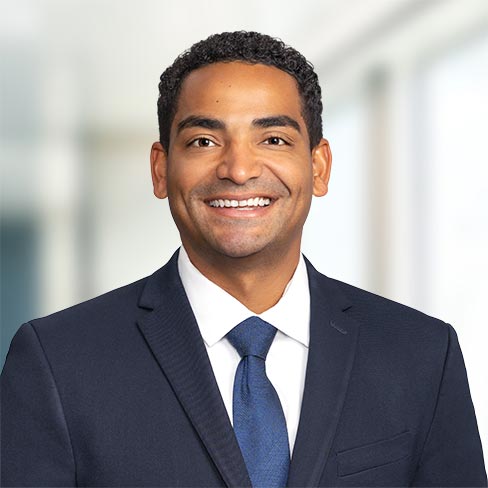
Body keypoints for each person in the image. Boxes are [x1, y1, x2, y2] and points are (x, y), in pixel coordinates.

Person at [1, 31, 486, 487]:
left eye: (273, 139)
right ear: (161, 168)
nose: (238, 169)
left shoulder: (423, 355)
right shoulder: (57, 362)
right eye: (203, 141)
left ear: (318, 167)